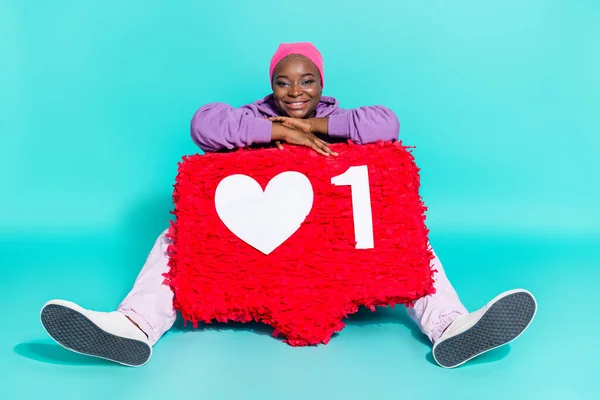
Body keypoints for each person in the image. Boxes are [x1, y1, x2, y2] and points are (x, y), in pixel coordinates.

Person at [40, 42, 537, 369]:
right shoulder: (248, 117)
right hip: (254, 254)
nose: (295, 92)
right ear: (271, 85)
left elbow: (387, 123)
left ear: (321, 85)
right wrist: (276, 131)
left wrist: (311, 130)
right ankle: (134, 327)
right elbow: (202, 125)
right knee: (176, 239)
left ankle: (451, 327)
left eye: (307, 82)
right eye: (284, 83)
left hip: (329, 248)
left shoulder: (338, 117)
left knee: (402, 236)